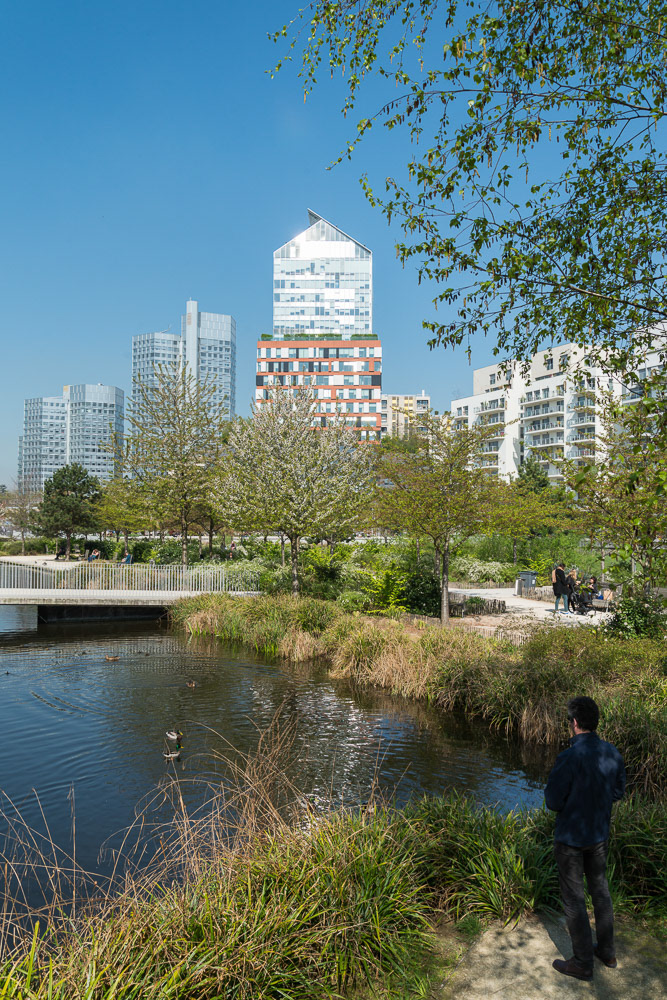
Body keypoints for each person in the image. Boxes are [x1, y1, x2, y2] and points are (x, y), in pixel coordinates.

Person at [545, 696, 625, 981]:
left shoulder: (568, 757)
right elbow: (618, 792)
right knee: (600, 891)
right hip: (599, 835)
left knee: (574, 899)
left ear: (574, 723)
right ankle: (607, 951)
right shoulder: (612, 753)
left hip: (570, 839)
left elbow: (553, 802)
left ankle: (582, 963)